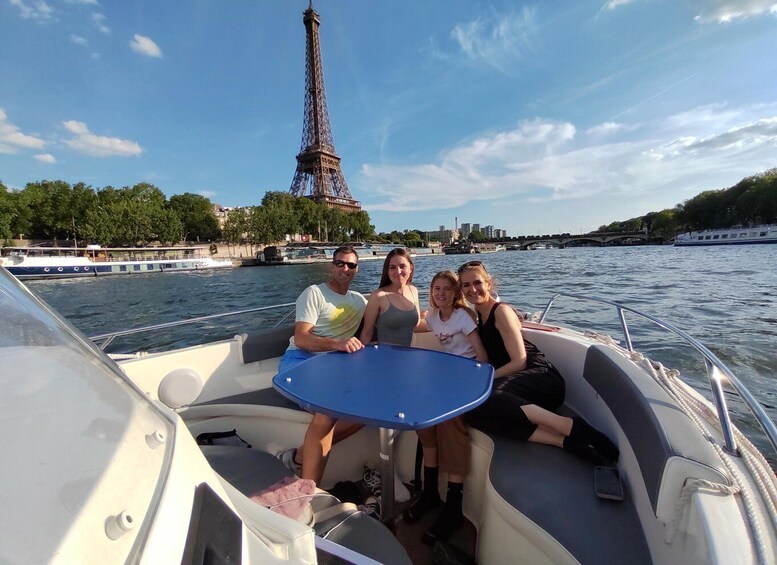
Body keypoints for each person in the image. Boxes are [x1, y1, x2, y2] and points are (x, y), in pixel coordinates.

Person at [457, 260, 619, 463]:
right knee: (470, 413)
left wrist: (484, 381)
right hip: (518, 388)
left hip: (542, 378)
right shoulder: (478, 316)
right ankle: (564, 442)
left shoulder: (501, 311)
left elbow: (520, 361)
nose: (473, 289)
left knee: (486, 396)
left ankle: (571, 426)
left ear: (489, 284)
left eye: (477, 283)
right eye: (466, 285)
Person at [404, 270, 488, 544]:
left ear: (455, 293)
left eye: (447, 289)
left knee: (449, 422)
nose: (441, 293)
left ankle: (453, 505)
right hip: (448, 378)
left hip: (469, 378)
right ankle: (430, 493)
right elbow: (417, 325)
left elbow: (482, 357)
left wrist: (471, 384)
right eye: (436, 288)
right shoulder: (433, 318)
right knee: (423, 414)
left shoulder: (463, 317)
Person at [276, 246, 367, 486]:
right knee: (328, 412)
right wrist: (338, 343)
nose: (345, 268)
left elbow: (388, 312)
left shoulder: (359, 301)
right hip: (300, 361)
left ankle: (298, 456)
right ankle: (307, 494)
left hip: (332, 366)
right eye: (340, 263)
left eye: (351, 265)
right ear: (331, 265)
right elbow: (302, 338)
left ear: (356, 270)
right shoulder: (314, 293)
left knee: (367, 412)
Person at [359, 248, 422, 346]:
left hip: (408, 354)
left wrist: (444, 324)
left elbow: (415, 324)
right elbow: (367, 333)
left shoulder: (413, 291)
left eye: (402, 266)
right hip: (384, 355)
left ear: (411, 268)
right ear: (387, 271)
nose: (398, 271)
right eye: (392, 267)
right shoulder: (378, 296)